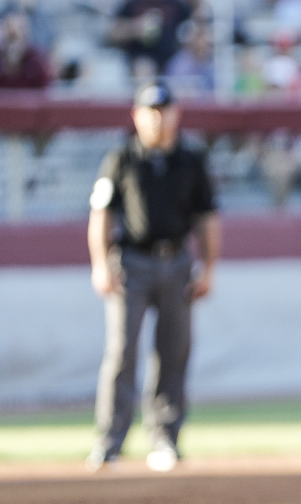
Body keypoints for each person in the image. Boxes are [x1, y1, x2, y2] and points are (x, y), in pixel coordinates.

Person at [85, 82, 221, 473]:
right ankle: (110, 441)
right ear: (137, 115)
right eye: (151, 110)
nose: (159, 117)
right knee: (122, 351)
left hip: (177, 260)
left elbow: (207, 218)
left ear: (177, 114)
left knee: (174, 350)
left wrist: (208, 267)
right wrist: (99, 263)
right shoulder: (122, 158)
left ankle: (165, 438)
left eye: (165, 109)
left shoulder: (191, 160)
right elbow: (101, 215)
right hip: (132, 262)